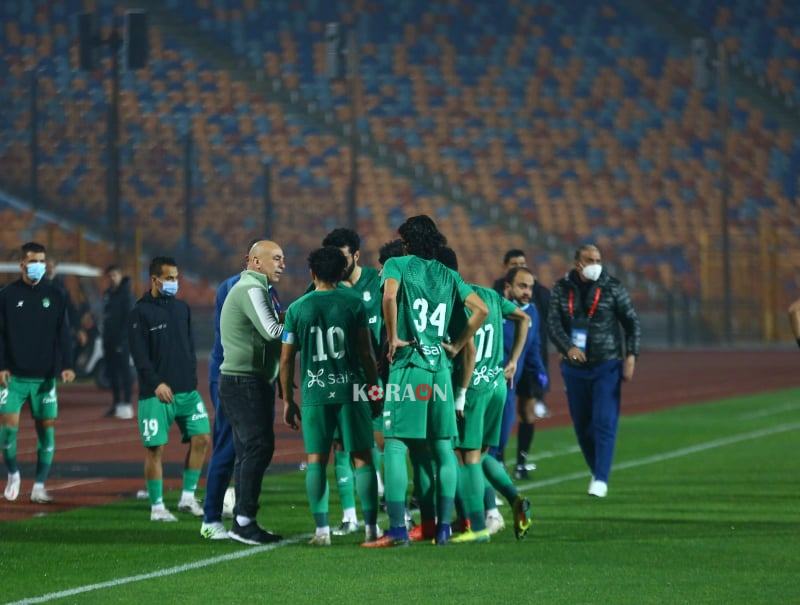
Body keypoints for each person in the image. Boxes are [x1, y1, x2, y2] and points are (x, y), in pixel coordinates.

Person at [365, 215, 488, 547]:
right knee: (442, 448)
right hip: (440, 372)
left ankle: (397, 530)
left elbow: (390, 297)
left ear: (406, 242)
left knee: (395, 444)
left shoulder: (398, 264)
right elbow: (481, 310)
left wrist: (392, 337)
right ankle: (443, 529)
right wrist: (457, 345)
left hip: (410, 366)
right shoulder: (449, 274)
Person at [281, 246, 382, 546]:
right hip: (353, 391)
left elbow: (286, 360)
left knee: (316, 460)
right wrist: (374, 391)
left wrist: (288, 399)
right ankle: (372, 530)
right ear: (341, 273)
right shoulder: (354, 303)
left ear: (312, 273)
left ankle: (322, 531)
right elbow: (366, 353)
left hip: (315, 392)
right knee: (362, 457)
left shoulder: (297, 308)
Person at [436, 247, 532, 543]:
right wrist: (513, 360)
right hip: (497, 386)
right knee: (484, 453)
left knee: (467, 457)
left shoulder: (455, 301)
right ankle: (515, 499)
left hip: (473, 387)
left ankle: (476, 527)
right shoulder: (486, 295)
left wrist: (461, 394)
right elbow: (523, 319)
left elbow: (469, 351)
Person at [201, 238, 283, 540]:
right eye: (276, 258)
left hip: (250, 377)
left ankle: (241, 519)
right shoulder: (248, 288)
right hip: (237, 376)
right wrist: (305, 319)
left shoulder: (263, 289)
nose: (282, 264)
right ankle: (218, 518)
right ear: (255, 261)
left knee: (246, 447)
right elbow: (271, 331)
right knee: (238, 446)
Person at [547, 244, 640, 498]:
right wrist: (567, 348)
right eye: (590, 260)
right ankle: (595, 470)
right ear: (577, 263)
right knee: (582, 425)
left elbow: (631, 322)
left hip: (606, 363)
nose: (595, 264)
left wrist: (631, 355)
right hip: (574, 368)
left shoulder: (612, 287)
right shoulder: (561, 288)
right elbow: (553, 324)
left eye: (598, 259)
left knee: (604, 421)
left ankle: (601, 478)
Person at [128, 256, 211, 521]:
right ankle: (157, 507)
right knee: (155, 449)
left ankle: (187, 498)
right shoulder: (139, 312)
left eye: (177, 278)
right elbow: (139, 357)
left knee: (202, 438)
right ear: (155, 279)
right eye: (170, 278)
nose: (175, 283)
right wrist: (156, 383)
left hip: (187, 391)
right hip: (156, 395)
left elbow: (187, 347)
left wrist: (191, 379)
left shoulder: (182, 309)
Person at [313, 228, 383, 536]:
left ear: (355, 255)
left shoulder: (378, 282)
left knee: (375, 443)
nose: (338, 263)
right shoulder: (325, 287)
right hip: (342, 379)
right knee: (341, 446)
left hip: (378, 373)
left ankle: (385, 501)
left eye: (342, 257)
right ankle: (350, 516)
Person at [0, 242, 75, 503]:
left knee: (46, 429)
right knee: (7, 428)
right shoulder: (6, 295)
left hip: (44, 378)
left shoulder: (56, 295)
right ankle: (13, 474)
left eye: (42, 261)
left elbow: (63, 332)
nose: (38, 266)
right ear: (22, 264)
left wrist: (67, 364)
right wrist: (1, 366)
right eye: (33, 261)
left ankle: (39, 485)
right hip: (13, 378)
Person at [102, 265, 134, 419]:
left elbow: (129, 319)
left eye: (114, 275)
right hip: (109, 340)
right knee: (112, 373)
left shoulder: (126, 294)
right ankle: (116, 403)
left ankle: (127, 404)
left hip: (123, 341)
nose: (112, 278)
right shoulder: (108, 293)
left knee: (125, 372)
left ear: (120, 275)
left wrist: (123, 340)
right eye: (110, 275)